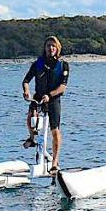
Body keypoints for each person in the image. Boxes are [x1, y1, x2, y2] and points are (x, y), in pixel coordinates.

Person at [21, 35, 69, 167]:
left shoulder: (63, 65)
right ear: (45, 48)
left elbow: (63, 86)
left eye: (53, 46)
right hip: (38, 96)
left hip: (53, 99)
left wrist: (49, 95)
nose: (51, 48)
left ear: (57, 48)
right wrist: (26, 91)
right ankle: (32, 138)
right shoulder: (38, 63)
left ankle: (54, 161)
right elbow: (26, 81)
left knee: (55, 130)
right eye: (48, 45)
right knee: (31, 116)